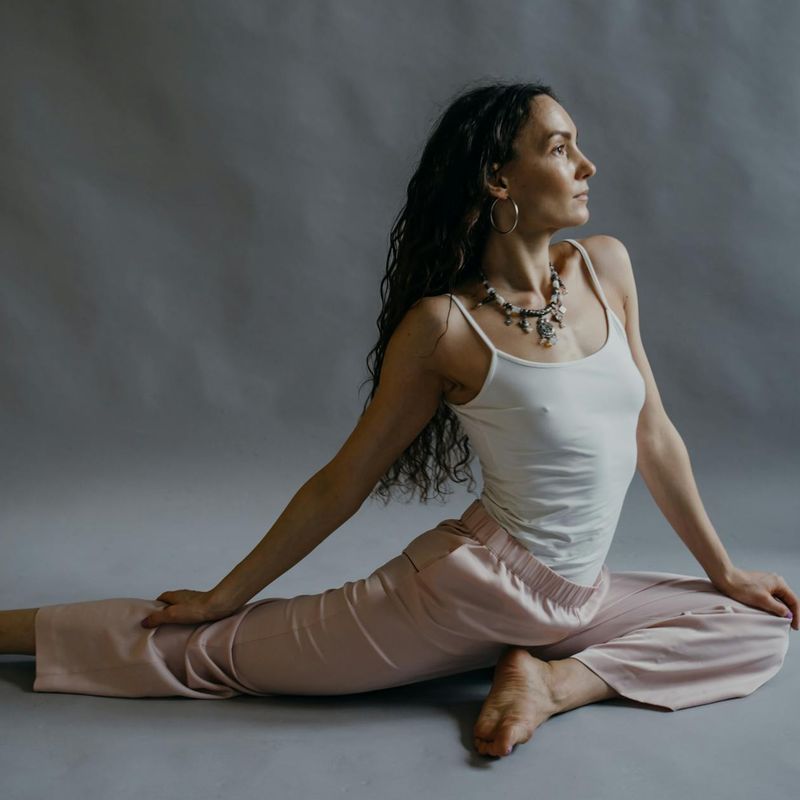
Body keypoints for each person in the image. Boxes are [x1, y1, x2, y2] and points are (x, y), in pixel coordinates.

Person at [2, 81, 796, 760]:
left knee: (754, 624)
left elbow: (653, 432)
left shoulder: (606, 267)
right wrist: (222, 594)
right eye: (559, 149)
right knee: (208, 655)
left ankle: (552, 681)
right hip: (468, 592)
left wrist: (724, 569)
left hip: (581, 596)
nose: (586, 166)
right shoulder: (444, 328)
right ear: (498, 179)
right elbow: (345, 480)